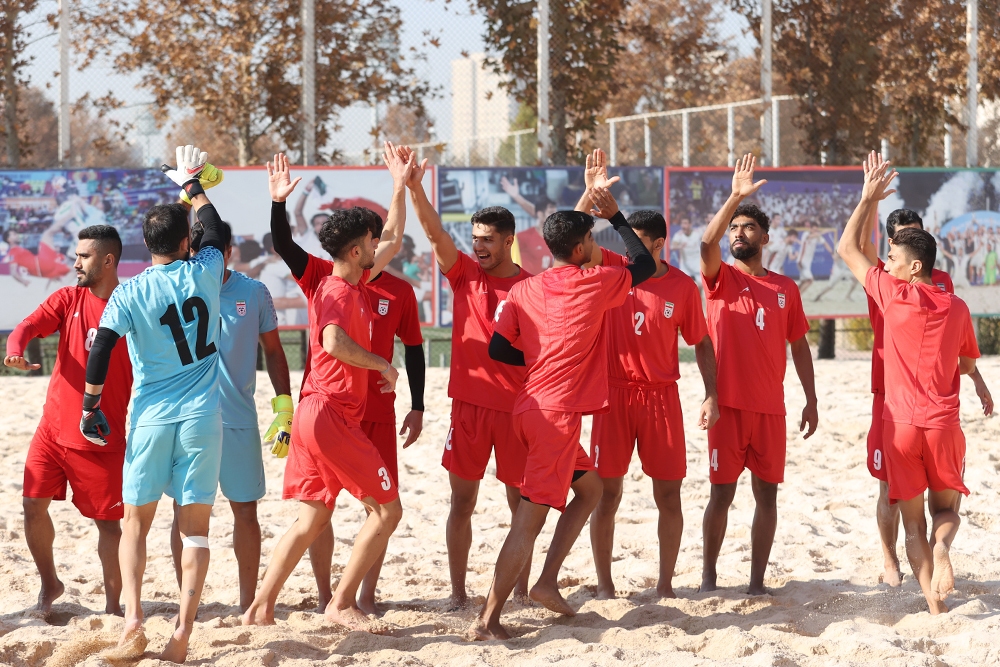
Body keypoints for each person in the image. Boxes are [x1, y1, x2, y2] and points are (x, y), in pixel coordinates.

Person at [471, 186, 656, 640]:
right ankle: (489, 619)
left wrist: (538, 360)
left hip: (529, 409)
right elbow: (645, 264)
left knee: (591, 490)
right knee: (527, 520)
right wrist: (616, 217)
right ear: (578, 249)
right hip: (555, 417)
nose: (594, 245)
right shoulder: (595, 281)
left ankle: (547, 581)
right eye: (591, 239)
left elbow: (498, 348)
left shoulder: (524, 288)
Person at [242, 143, 413, 633]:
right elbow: (334, 341)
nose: (379, 246)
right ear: (356, 251)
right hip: (331, 414)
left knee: (312, 518)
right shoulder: (334, 285)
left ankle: (259, 609)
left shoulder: (355, 278)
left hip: (315, 415)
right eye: (370, 242)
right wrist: (383, 364)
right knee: (388, 511)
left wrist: (399, 186)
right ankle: (341, 603)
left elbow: (393, 235)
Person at [81, 145, 227, 663]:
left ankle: (134, 619)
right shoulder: (207, 269)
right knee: (195, 532)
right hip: (202, 418)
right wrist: (191, 185)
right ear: (187, 242)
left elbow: (101, 348)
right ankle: (183, 632)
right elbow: (215, 228)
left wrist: (90, 406)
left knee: (135, 524)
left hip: (151, 418)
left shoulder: (129, 292)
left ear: (145, 245)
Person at [837, 154, 987, 615]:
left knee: (912, 526)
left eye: (892, 259)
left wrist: (866, 197)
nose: (885, 263)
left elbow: (847, 248)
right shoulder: (957, 306)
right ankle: (944, 548)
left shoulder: (893, 295)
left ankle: (934, 608)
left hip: (900, 426)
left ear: (914, 267)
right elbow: (966, 363)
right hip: (942, 426)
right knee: (947, 514)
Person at [578, 205, 721, 600]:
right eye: (625, 241)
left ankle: (665, 585)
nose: (628, 250)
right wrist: (592, 196)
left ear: (659, 245)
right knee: (607, 495)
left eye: (637, 243)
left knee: (669, 496)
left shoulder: (682, 287)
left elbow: (701, 342)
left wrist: (711, 394)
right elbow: (571, 240)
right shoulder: (612, 271)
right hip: (613, 395)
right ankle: (605, 585)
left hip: (661, 398)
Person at [413, 161, 535, 611]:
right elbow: (434, 234)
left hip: (517, 410)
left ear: (508, 240)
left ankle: (521, 591)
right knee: (461, 502)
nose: (478, 246)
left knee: (520, 505)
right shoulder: (464, 274)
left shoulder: (531, 287)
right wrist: (414, 188)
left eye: (487, 239)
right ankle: (458, 592)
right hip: (469, 407)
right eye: (475, 238)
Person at [699, 154, 818, 596]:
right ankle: (709, 578)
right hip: (727, 407)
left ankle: (756, 583)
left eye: (747, 227)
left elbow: (799, 346)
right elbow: (705, 244)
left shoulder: (785, 288)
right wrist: (734, 198)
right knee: (721, 495)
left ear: (765, 238)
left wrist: (811, 399)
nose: (737, 233)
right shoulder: (719, 279)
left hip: (771, 410)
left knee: (767, 497)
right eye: (734, 227)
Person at [162, 221, 292, 613]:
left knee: (245, 511)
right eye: (199, 253)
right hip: (188, 420)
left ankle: (247, 603)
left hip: (238, 419)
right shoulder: (177, 288)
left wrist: (284, 406)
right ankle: (187, 605)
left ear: (229, 252)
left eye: (217, 252)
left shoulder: (253, 292)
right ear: (189, 253)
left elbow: (273, 350)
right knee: (184, 512)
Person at [4, 225, 131, 618]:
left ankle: (113, 609)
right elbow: (26, 327)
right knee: (31, 505)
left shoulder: (132, 304)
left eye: (83, 256)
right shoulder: (67, 298)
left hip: (101, 436)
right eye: (76, 255)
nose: (75, 263)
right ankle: (50, 584)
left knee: (108, 527)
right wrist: (15, 349)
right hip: (52, 430)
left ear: (107, 260)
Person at [501, 175, 558, 274]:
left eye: (555, 213)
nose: (555, 217)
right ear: (540, 214)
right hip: (525, 283)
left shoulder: (558, 240)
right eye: (551, 213)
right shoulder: (524, 237)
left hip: (545, 283)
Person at [2, 218, 73, 284]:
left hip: (43, 271)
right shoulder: (13, 252)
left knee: (74, 270)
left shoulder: (16, 250)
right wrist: (23, 281)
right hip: (41, 264)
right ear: (9, 239)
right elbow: (13, 272)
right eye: (14, 235)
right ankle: (70, 215)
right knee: (47, 234)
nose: (17, 235)